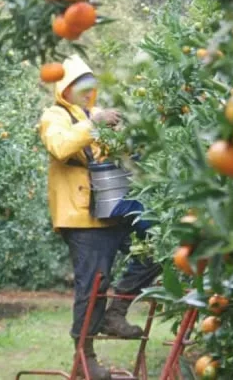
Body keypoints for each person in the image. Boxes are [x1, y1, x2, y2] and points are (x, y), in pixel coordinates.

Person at [39, 55, 161, 380]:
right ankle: (85, 357)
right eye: (81, 86)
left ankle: (116, 311)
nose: (88, 93)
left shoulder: (97, 115)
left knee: (157, 248)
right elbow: (60, 146)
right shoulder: (55, 116)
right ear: (65, 89)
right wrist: (95, 124)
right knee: (94, 283)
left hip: (114, 209)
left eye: (90, 87)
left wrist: (130, 139)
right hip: (82, 217)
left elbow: (121, 157)